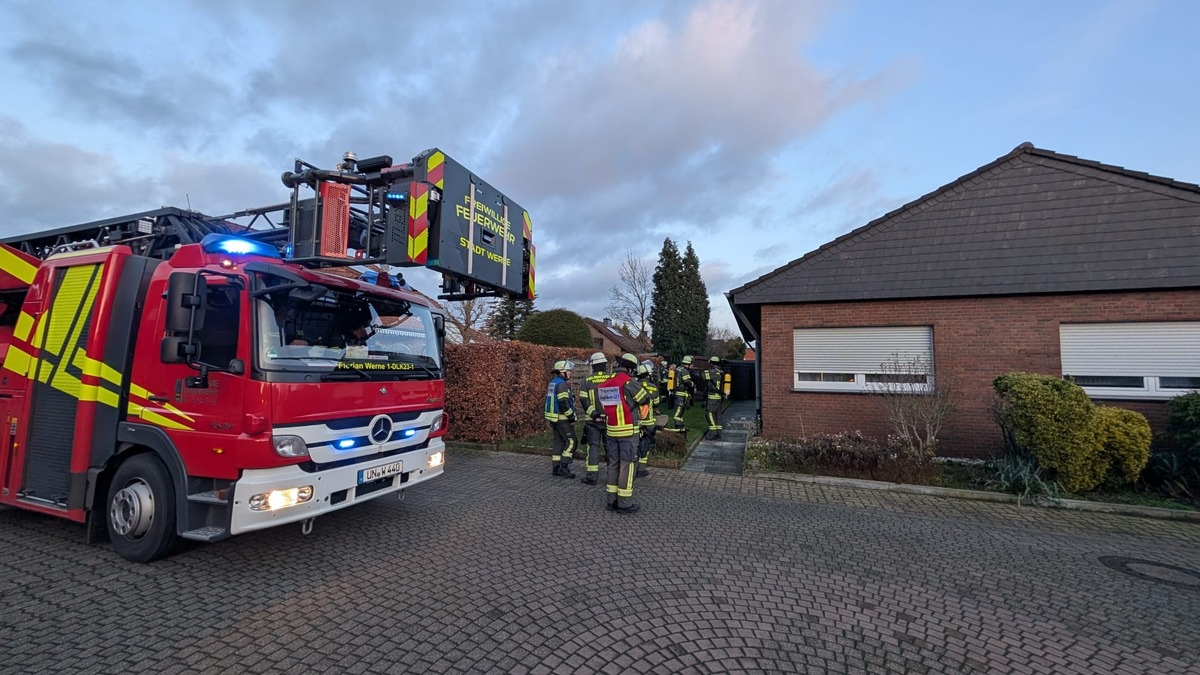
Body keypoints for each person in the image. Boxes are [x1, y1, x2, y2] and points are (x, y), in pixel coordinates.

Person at [598, 353, 652, 513]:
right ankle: (625, 503)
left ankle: (611, 501)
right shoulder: (629, 383)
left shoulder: (605, 384)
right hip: (628, 431)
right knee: (627, 467)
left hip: (611, 430)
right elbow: (645, 398)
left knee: (613, 464)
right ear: (630, 369)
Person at [577, 352, 609, 485]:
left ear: (594, 366)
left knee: (593, 447)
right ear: (605, 365)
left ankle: (592, 477)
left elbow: (584, 400)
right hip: (610, 421)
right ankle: (613, 476)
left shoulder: (587, 381)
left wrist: (594, 415)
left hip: (592, 421)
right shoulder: (611, 379)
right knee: (610, 448)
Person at [545, 360, 578, 478]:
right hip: (563, 419)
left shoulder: (553, 382)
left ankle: (556, 467)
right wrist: (571, 416)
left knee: (558, 441)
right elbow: (564, 403)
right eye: (568, 371)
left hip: (554, 419)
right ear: (562, 372)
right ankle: (564, 467)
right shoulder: (562, 384)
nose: (570, 373)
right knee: (571, 441)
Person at [635, 363, 661, 477]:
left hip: (635, 422)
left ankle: (633, 468)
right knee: (645, 445)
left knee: (635, 444)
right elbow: (656, 403)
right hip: (648, 422)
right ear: (648, 375)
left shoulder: (633, 385)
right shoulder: (653, 387)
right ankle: (641, 469)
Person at [667, 355, 695, 431]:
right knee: (678, 413)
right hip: (681, 396)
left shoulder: (678, 369)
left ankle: (681, 427)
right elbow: (687, 382)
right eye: (692, 364)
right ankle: (678, 428)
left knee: (679, 412)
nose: (692, 366)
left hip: (677, 394)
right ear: (688, 364)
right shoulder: (684, 371)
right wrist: (693, 384)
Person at [703, 356, 728, 440]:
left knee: (709, 413)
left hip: (712, 397)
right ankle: (718, 433)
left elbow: (703, 376)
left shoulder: (712, 372)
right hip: (720, 397)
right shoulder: (722, 372)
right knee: (718, 414)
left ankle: (712, 432)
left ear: (712, 363)